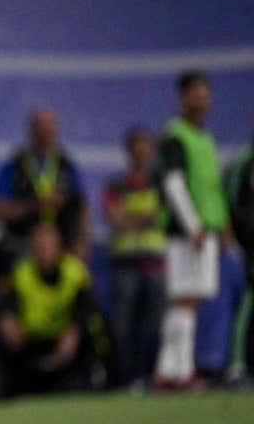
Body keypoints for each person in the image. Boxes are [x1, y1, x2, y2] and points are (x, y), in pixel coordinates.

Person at [154, 71, 229, 388]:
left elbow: (211, 187)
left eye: (205, 92)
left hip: (207, 229)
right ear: (182, 97)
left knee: (188, 300)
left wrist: (222, 225)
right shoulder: (176, 135)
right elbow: (173, 184)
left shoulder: (205, 138)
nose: (202, 98)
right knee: (185, 299)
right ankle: (181, 373)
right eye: (195, 92)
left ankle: (169, 371)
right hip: (186, 231)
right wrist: (194, 226)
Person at [0, 107, 90, 287]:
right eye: (40, 127)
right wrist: (35, 205)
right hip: (22, 245)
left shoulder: (66, 166)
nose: (45, 132)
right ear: (30, 130)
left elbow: (82, 207)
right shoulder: (14, 166)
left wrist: (81, 244)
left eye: (49, 127)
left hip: (62, 246)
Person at [0, 224, 96, 396]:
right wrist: (8, 321)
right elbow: (5, 304)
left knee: (95, 328)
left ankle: (94, 381)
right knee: (0, 329)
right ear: (32, 248)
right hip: (30, 340)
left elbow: (86, 307)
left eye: (48, 245)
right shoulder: (20, 271)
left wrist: (74, 332)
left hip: (63, 339)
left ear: (58, 247)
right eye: (39, 245)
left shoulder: (75, 271)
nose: (43, 250)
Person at [103, 126, 166, 387]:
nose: (141, 151)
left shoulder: (162, 183)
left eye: (145, 145)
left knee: (153, 325)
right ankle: (125, 378)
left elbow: (164, 216)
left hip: (155, 263)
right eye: (136, 145)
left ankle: (148, 375)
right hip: (124, 263)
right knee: (122, 325)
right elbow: (115, 220)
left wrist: (131, 217)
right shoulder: (116, 184)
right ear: (128, 151)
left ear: (151, 150)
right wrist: (146, 217)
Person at [226, 119, 254, 380]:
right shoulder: (244, 161)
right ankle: (236, 364)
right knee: (249, 299)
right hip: (251, 244)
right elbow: (234, 204)